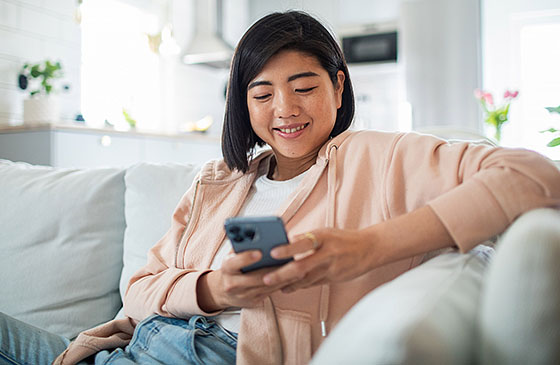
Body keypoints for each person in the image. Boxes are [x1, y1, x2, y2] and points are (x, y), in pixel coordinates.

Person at [1, 10, 559, 365]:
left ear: (338, 87)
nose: (285, 110)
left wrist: (370, 247)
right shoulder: (219, 181)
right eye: (262, 93)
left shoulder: (381, 155)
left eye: (303, 86)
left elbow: (537, 178)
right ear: (243, 103)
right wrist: (216, 289)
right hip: (136, 345)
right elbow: (142, 288)